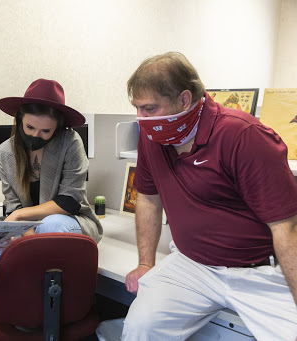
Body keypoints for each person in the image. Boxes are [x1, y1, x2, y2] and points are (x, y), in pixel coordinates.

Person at [121, 52, 297, 340]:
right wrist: (145, 263)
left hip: (258, 271)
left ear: (184, 99)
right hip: (192, 265)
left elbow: (286, 227)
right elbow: (148, 198)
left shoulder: (244, 136)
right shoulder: (153, 138)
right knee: (140, 328)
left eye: (149, 108)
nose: (141, 119)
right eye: (137, 108)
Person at [0, 79, 103, 290]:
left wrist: (19, 219)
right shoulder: (5, 151)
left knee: (52, 224)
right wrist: (24, 236)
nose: (36, 135)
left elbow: (69, 201)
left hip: (69, 221)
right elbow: (12, 205)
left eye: (46, 131)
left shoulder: (70, 143)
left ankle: (49, 305)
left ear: (58, 127)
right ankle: (31, 307)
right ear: (19, 120)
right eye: (30, 127)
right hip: (27, 226)